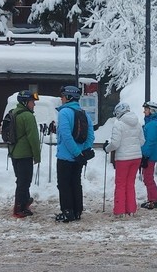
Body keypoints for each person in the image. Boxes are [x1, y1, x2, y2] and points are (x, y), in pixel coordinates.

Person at [55, 86, 94, 223]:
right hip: (79, 157)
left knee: (64, 184)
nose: (61, 98)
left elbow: (65, 136)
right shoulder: (84, 113)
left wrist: (76, 153)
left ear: (68, 97)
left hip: (66, 156)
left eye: (63, 96)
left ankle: (67, 212)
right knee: (76, 183)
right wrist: (83, 152)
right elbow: (91, 135)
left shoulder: (64, 113)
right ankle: (77, 211)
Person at [103, 102, 144, 218]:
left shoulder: (118, 124)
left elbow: (115, 144)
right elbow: (142, 141)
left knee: (120, 184)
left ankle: (119, 210)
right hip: (136, 157)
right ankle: (131, 209)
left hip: (123, 158)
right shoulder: (138, 123)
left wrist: (107, 148)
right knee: (130, 183)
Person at [10, 90, 41, 218]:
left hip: (14, 153)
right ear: (25, 102)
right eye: (32, 102)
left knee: (21, 180)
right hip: (24, 154)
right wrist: (37, 156)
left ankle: (24, 202)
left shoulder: (13, 112)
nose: (34, 104)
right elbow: (33, 138)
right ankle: (18, 208)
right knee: (24, 182)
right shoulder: (28, 116)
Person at [140, 101, 157, 210]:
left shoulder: (152, 125)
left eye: (146, 109)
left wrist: (145, 155)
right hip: (151, 154)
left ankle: (154, 200)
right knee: (148, 178)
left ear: (152, 110)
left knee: (148, 178)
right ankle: (153, 199)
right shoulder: (151, 123)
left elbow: (150, 142)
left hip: (150, 155)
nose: (144, 111)